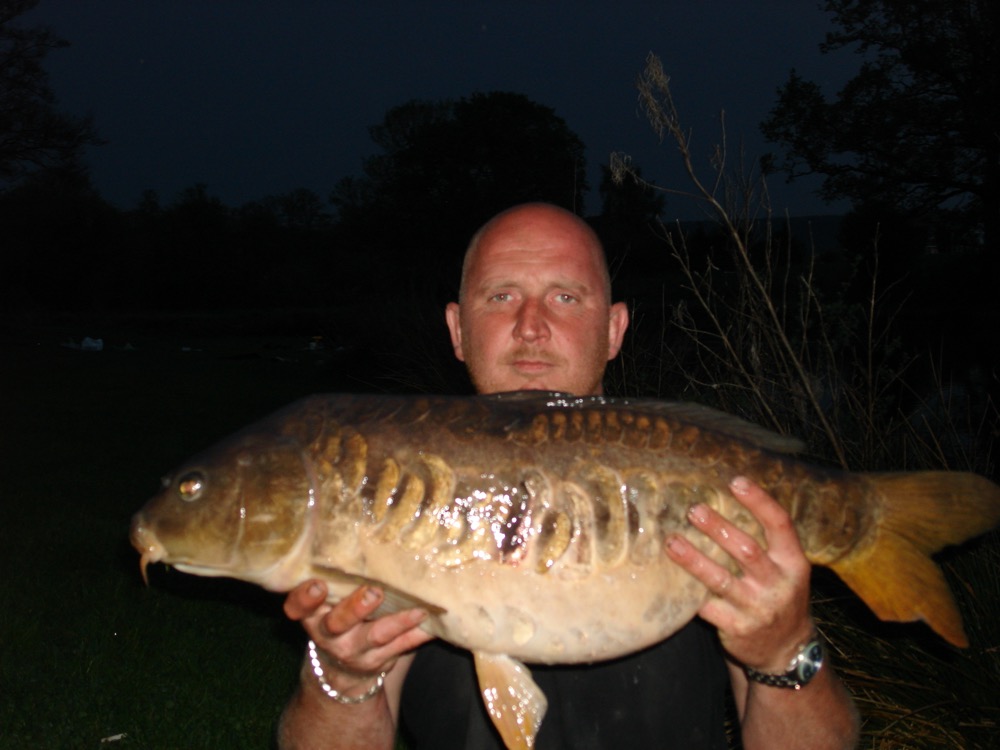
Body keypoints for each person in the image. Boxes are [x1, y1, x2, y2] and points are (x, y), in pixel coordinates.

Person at [277, 203, 860, 749]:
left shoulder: (703, 482)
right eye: (502, 295)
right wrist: (343, 673)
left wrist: (785, 654)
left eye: (565, 297)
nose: (531, 325)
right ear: (457, 329)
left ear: (613, 329)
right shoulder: (396, 482)